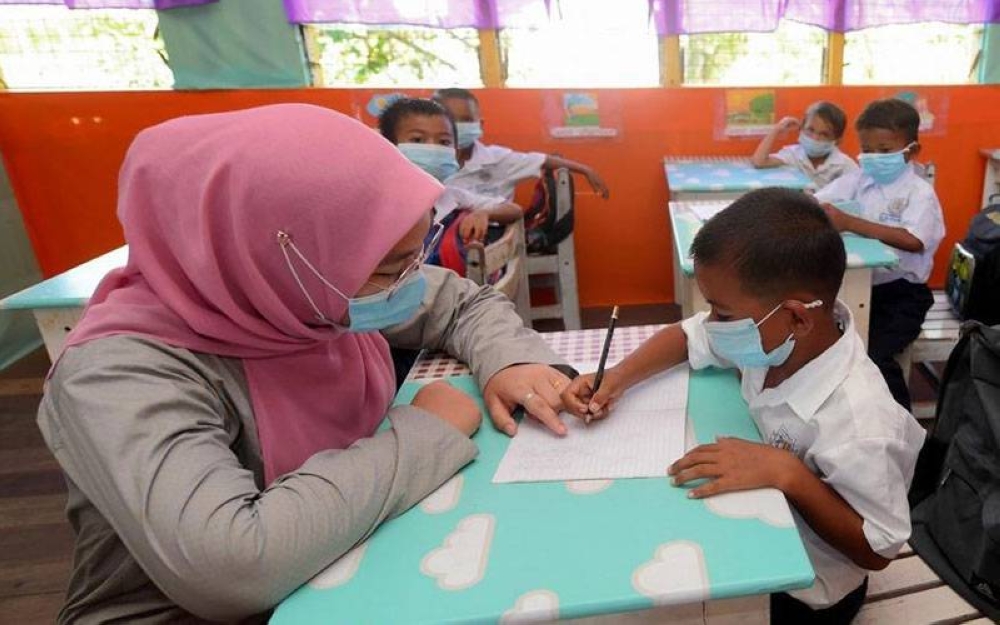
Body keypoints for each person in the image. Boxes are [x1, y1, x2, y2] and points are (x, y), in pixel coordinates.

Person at [37, 104, 575, 624]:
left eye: (417, 254)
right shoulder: (117, 374)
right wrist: (424, 432)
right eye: (390, 266)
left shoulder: (290, 293)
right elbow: (234, 565)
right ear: (268, 256)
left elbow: (461, 300)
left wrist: (511, 361)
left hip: (357, 563)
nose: (411, 278)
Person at [561, 188, 925, 625]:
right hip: (757, 535)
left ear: (797, 317)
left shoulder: (860, 419)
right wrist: (617, 378)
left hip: (807, 595)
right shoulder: (777, 338)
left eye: (722, 314)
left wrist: (789, 474)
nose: (712, 324)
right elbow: (687, 335)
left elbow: (877, 548)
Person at [814, 98, 945, 410]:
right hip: (861, 288)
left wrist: (849, 222)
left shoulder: (919, 194)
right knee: (826, 345)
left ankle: (898, 423)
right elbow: (821, 200)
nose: (873, 157)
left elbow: (913, 240)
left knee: (873, 354)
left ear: (911, 151)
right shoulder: (861, 179)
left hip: (903, 296)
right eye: (867, 148)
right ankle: (847, 411)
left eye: (884, 151)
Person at [377, 97, 522, 250]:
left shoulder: (450, 196)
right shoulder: (373, 201)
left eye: (444, 142)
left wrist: (484, 213)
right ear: (388, 146)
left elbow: (514, 210)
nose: (433, 149)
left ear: (456, 152)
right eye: (418, 139)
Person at [432, 87, 611, 201]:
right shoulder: (424, 162)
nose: (457, 126)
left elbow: (542, 160)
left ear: (479, 124)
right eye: (449, 119)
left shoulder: (497, 159)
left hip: (490, 238)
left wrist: (587, 170)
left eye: (466, 120)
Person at [751, 101, 857, 192]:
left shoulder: (844, 164)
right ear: (801, 129)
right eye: (810, 130)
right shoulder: (793, 154)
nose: (815, 138)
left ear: (837, 141)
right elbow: (759, 161)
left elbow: (858, 190)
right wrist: (777, 129)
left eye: (824, 134)